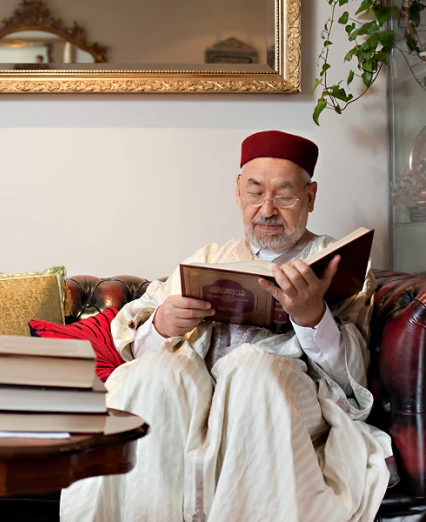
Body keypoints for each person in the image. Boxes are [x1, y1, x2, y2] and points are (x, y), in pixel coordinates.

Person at [60, 130, 393, 522]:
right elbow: (133, 343)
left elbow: (350, 378)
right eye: (255, 193)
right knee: (153, 373)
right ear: (238, 191)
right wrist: (163, 325)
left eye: (284, 195)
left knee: (252, 370)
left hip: (282, 400)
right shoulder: (208, 258)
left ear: (311, 196)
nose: (267, 210)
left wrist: (311, 316)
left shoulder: (336, 261)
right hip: (197, 402)